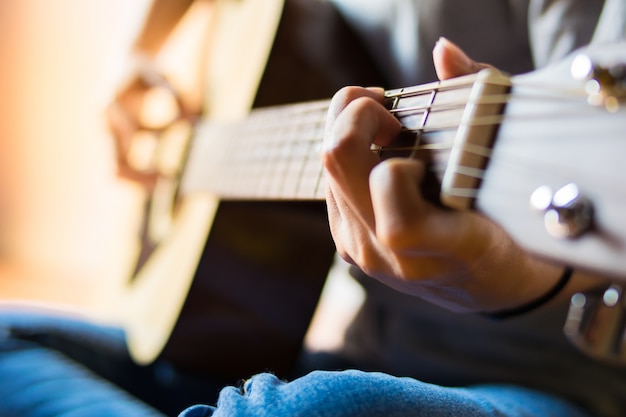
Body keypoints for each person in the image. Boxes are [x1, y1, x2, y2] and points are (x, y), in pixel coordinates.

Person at [2, 1, 626, 417]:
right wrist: (134, 52)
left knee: (311, 407)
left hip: (559, 385)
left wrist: (508, 276)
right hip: (368, 350)